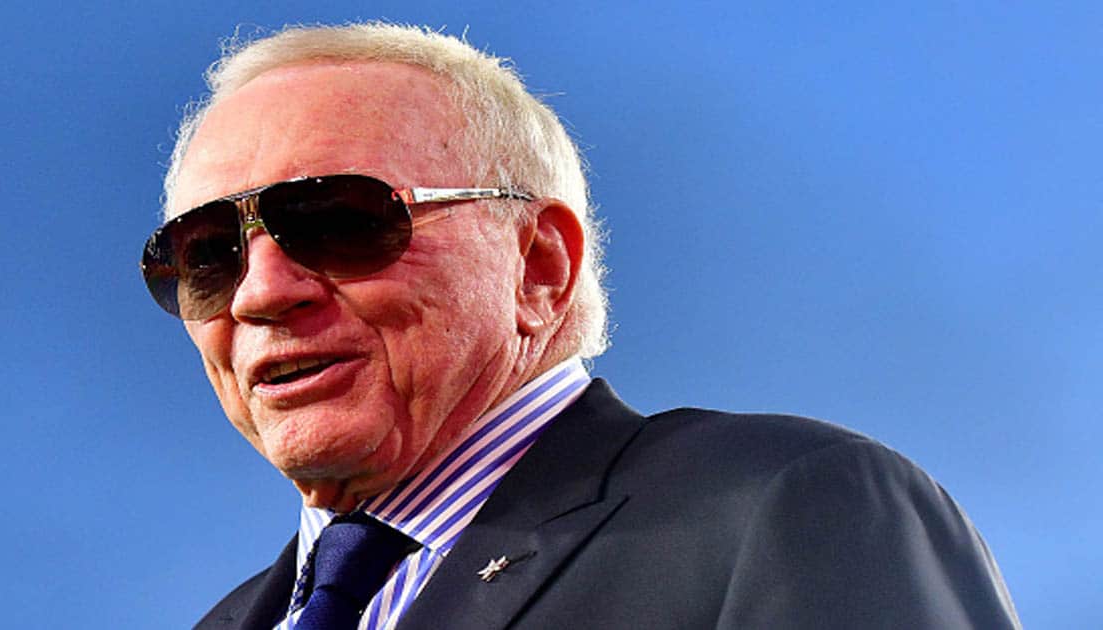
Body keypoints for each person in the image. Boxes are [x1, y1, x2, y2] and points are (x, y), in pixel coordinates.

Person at [140, 22, 1020, 630]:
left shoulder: (786, 506)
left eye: (337, 220)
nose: (261, 293)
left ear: (539, 267)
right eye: (209, 254)